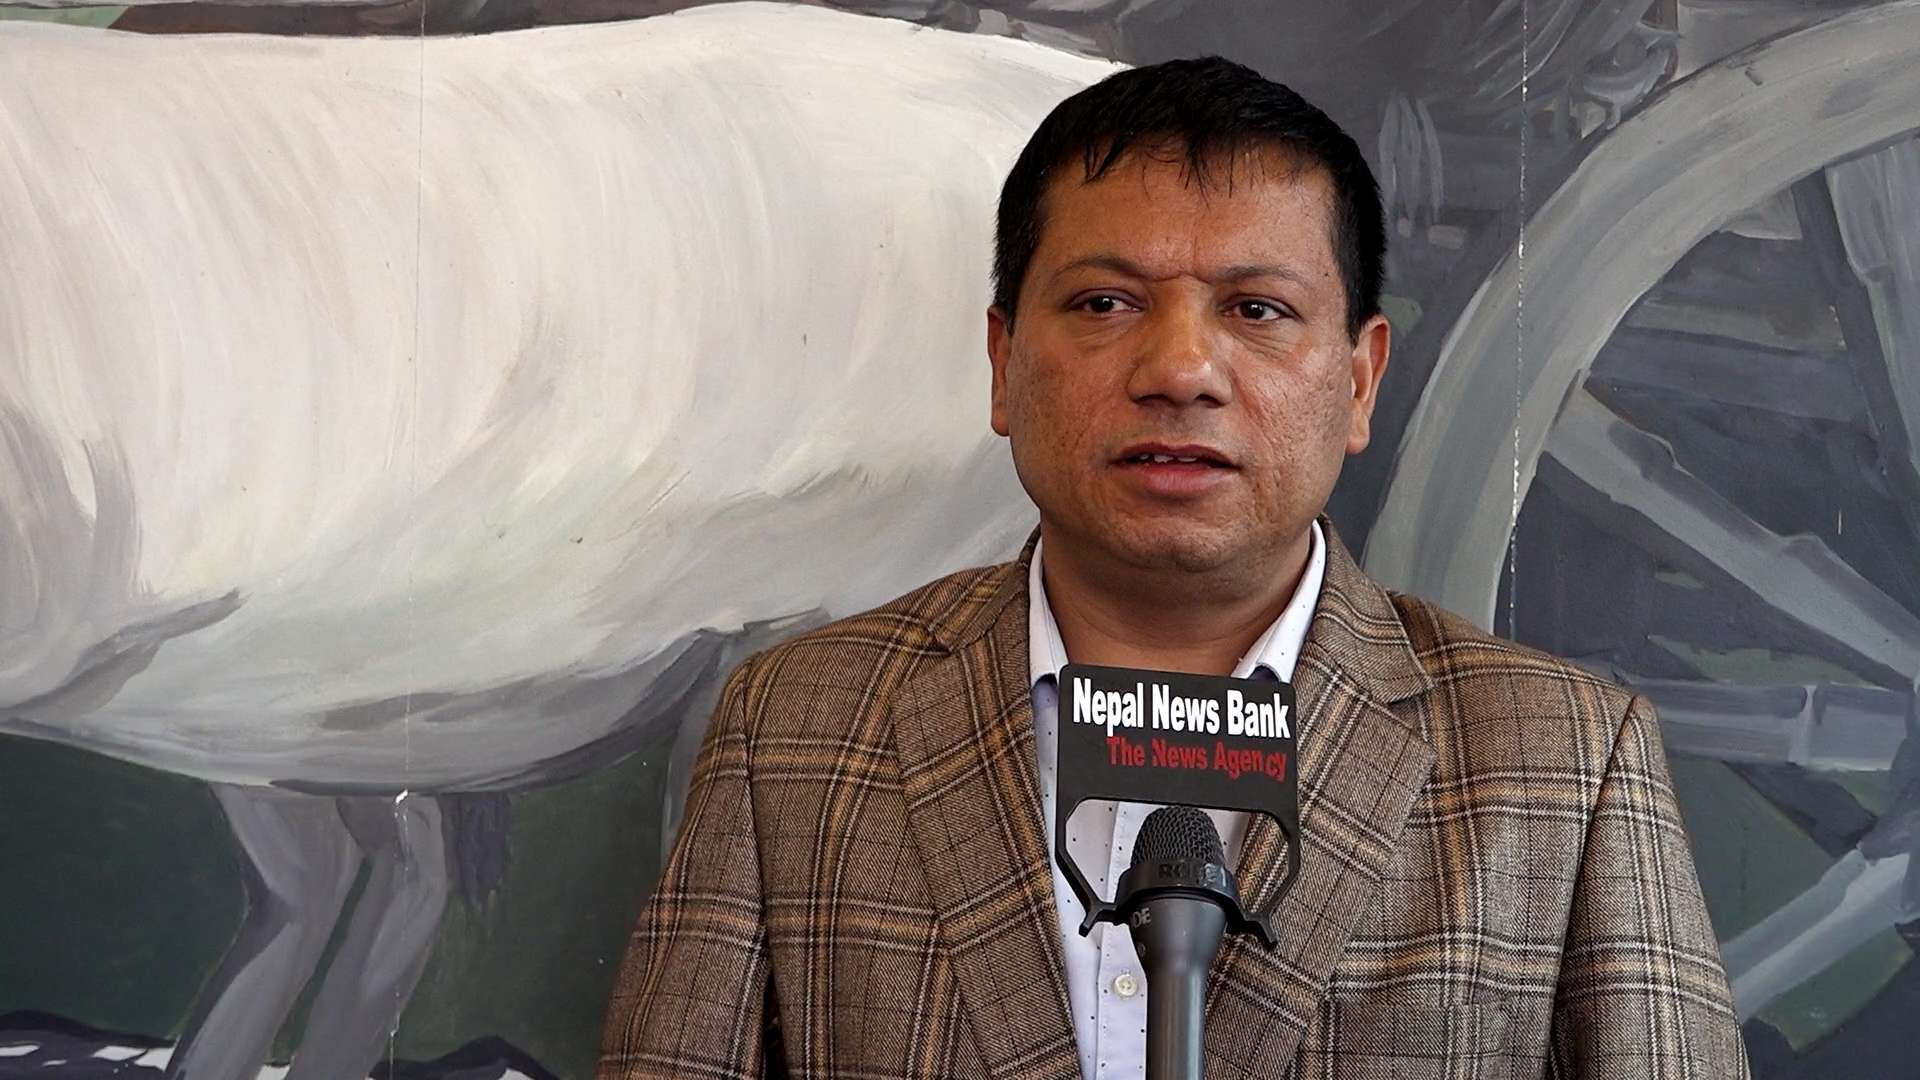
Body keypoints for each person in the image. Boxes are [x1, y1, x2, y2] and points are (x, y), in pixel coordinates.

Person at [597, 57, 1748, 1079]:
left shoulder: (1565, 765)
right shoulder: (795, 730)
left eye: (1257, 308)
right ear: (1003, 363)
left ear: (1358, 381)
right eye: (1105, 302)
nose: (1181, 369)